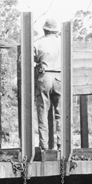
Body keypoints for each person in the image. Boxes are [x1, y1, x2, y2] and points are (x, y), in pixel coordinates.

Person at [33, 18, 61, 151]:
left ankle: (44, 147)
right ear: (56, 31)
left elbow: (28, 59)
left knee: (43, 112)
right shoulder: (63, 43)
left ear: (45, 30)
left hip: (45, 77)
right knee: (61, 113)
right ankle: (61, 145)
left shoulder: (38, 43)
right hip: (60, 77)